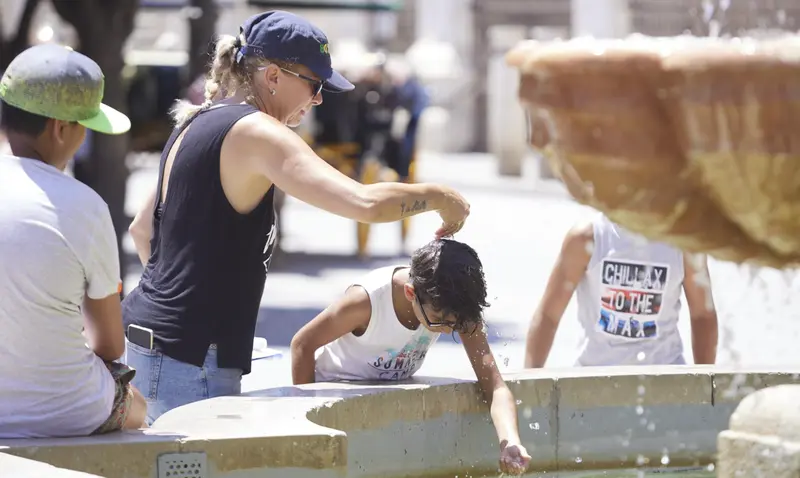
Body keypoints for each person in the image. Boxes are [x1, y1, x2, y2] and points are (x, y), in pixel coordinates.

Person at [122, 10, 470, 425]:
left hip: (154, 344)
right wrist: (439, 195)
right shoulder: (257, 132)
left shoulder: (196, 121)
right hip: (190, 358)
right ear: (273, 77)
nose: (319, 98)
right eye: (315, 84)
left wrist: (182, 307)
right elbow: (362, 202)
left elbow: (142, 229)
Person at [0, 43, 147, 437]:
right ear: (60, 128)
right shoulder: (85, 206)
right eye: (84, 127)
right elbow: (110, 345)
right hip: (68, 409)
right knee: (140, 407)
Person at [291, 239, 531, 475]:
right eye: (440, 320)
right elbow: (302, 344)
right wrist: (309, 429)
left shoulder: (454, 306)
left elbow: (495, 386)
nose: (448, 329)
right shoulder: (365, 303)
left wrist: (510, 442)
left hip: (382, 408)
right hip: (335, 393)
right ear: (410, 292)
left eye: (455, 324)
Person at [524, 213, 719, 368]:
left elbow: (703, 314)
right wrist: (529, 386)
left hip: (665, 377)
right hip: (594, 379)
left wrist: (706, 388)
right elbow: (548, 315)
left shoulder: (684, 243)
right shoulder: (588, 237)